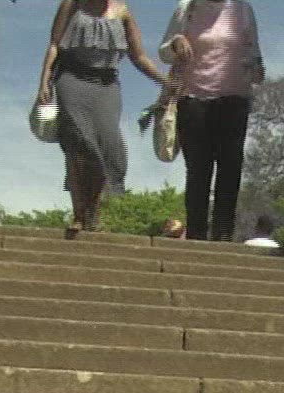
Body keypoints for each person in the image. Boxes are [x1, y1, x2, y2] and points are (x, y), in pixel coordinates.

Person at [37, 0, 171, 239]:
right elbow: (55, 44)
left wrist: (165, 81)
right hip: (71, 80)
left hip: (106, 86)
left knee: (108, 148)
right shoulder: (72, 5)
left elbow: (139, 56)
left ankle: (93, 212)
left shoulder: (123, 12)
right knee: (79, 144)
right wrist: (44, 81)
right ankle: (79, 214)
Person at [159, 0, 265, 242]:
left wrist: (256, 68)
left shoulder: (243, 9)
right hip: (193, 99)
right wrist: (176, 43)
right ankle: (196, 233)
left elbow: (255, 54)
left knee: (230, 167)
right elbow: (164, 52)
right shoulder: (187, 7)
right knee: (198, 169)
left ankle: (223, 234)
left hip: (234, 100)